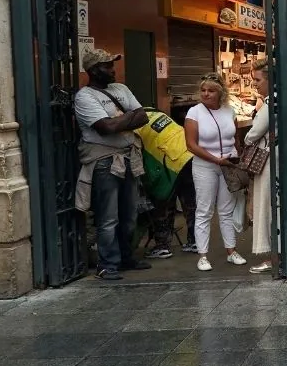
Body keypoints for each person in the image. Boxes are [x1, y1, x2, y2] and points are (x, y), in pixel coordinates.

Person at [73, 48, 151, 281]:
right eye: (107, 66)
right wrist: (128, 117)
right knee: (108, 216)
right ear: (93, 70)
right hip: (104, 161)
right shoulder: (85, 97)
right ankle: (107, 264)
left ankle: (126, 257)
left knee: (129, 213)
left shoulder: (121, 89)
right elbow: (105, 128)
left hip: (128, 157)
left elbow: (143, 116)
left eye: (112, 64)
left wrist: (118, 120)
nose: (112, 69)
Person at [184, 73, 247, 272]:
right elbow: (191, 145)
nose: (206, 94)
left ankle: (231, 251)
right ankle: (202, 255)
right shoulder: (194, 113)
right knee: (204, 210)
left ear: (220, 92)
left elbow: (235, 139)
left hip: (228, 165)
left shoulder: (229, 111)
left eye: (211, 90)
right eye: (203, 90)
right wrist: (216, 160)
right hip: (205, 165)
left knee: (226, 210)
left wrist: (238, 159)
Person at [134, 107, 195, 260]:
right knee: (190, 202)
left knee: (162, 202)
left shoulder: (134, 126)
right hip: (189, 155)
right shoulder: (156, 112)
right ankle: (195, 241)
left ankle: (163, 246)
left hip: (171, 161)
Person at [246, 59, 276, 274]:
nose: (255, 84)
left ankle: (271, 256)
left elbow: (254, 132)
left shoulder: (270, 102)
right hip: (275, 158)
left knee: (265, 205)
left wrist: (247, 138)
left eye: (257, 80)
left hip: (267, 160)